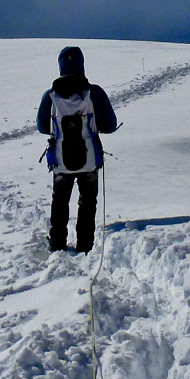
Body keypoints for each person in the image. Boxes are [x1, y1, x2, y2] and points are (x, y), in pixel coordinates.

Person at [37, 46, 118, 253]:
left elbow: (41, 126)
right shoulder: (94, 92)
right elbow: (109, 125)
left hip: (61, 161)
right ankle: (85, 246)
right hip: (89, 159)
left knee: (60, 202)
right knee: (88, 202)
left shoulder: (51, 95)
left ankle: (57, 245)